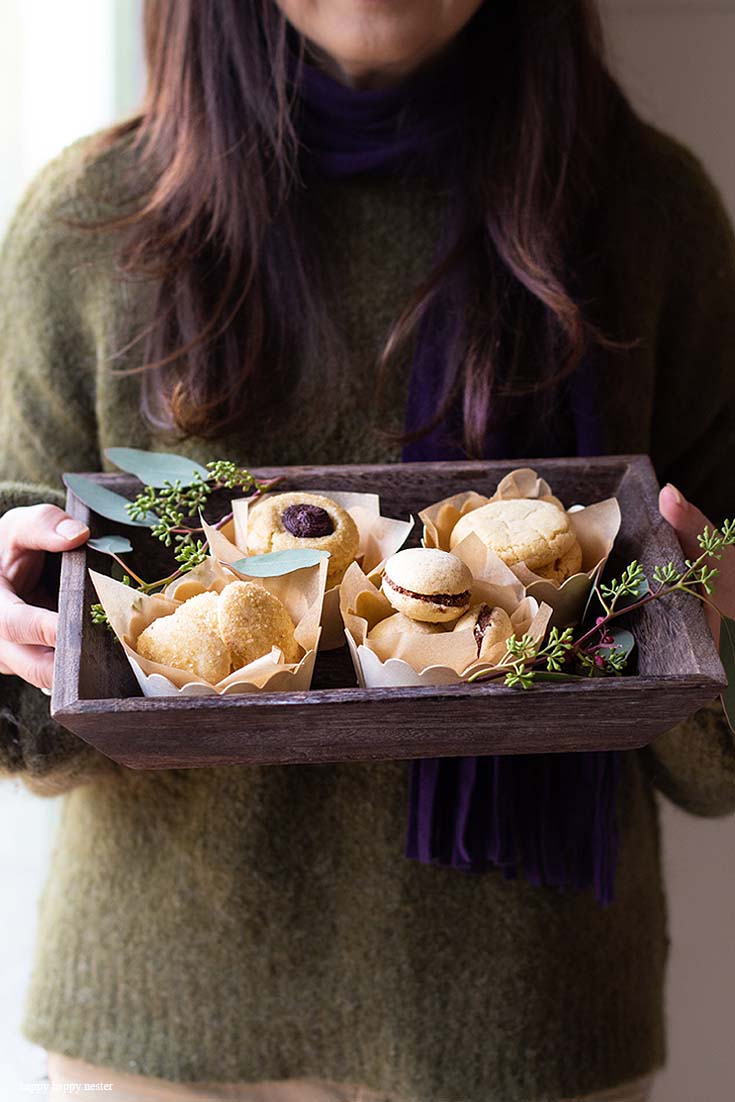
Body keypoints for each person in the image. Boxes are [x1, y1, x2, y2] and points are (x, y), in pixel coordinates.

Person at [1, 2, 734, 1100]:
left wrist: (707, 631)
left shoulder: (649, 218)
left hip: (525, 1040)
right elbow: (39, 716)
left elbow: (712, 756)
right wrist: (21, 630)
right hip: (156, 1038)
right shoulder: (92, 221)